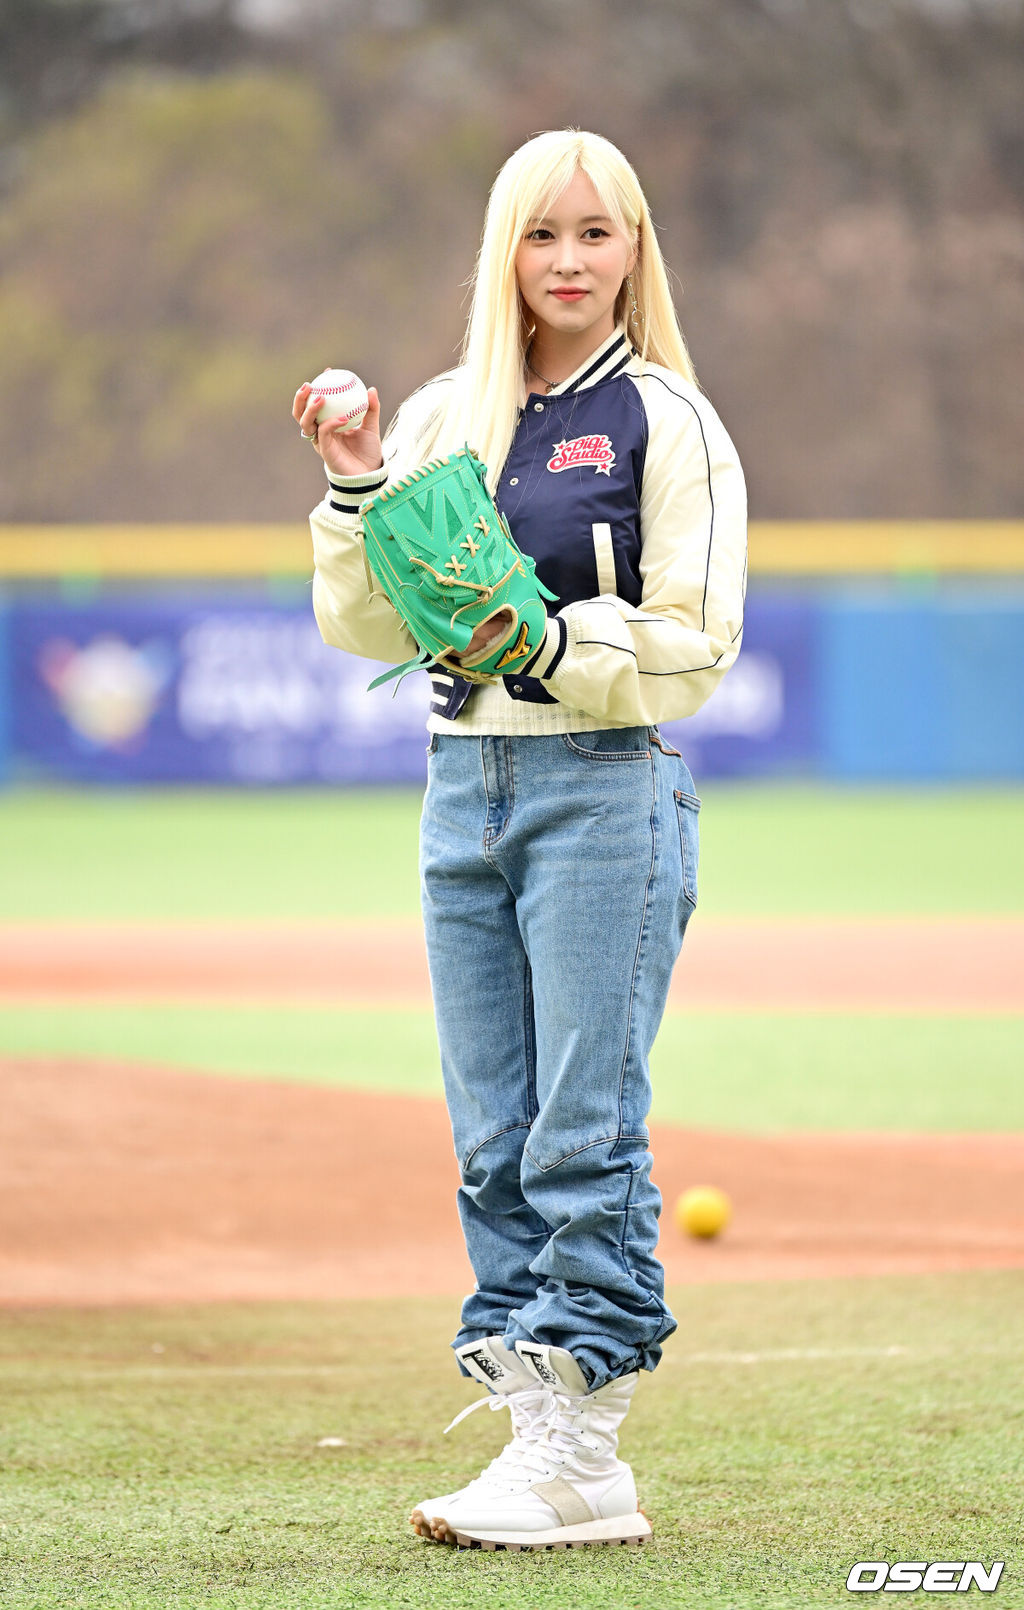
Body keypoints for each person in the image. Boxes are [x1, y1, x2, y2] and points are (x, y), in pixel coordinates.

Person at [292, 128, 747, 1552]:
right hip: (459, 780)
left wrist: (557, 636)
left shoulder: (671, 420)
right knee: (492, 1136)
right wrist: (361, 482)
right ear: (505, 250)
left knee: (580, 1128)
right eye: (542, 234)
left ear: (634, 250)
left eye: (595, 233)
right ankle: (541, 1432)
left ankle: (580, 1436)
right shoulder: (441, 416)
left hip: (605, 784)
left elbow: (699, 646)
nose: (568, 260)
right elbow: (367, 621)